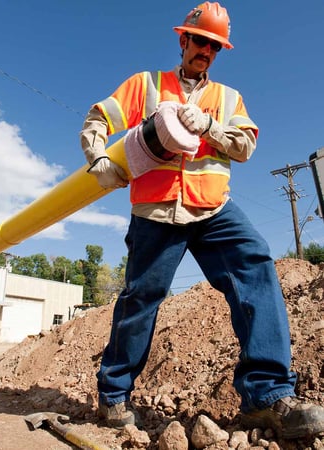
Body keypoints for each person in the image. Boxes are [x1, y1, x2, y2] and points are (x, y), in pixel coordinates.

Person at [79, 2, 324, 439]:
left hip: (212, 209)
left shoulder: (228, 98)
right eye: (201, 41)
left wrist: (208, 125)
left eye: (215, 46)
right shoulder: (147, 85)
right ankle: (113, 395)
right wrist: (98, 155)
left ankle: (266, 396)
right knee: (140, 298)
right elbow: (99, 118)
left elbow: (245, 147)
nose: (207, 51)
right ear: (183, 39)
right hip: (155, 210)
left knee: (257, 266)